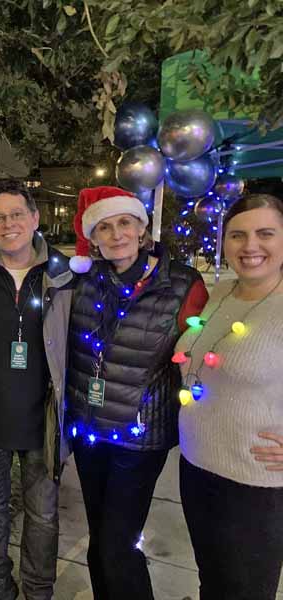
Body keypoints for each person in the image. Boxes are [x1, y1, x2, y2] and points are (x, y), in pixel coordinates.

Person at [65, 186, 208, 600]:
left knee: (117, 544)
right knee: (100, 542)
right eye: (104, 227)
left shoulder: (183, 285)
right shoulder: (83, 281)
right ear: (92, 239)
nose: (116, 235)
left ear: (142, 228)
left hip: (140, 438)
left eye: (124, 223)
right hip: (91, 432)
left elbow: (206, 356)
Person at [0, 180, 76, 600]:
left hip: (43, 420)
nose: (8, 224)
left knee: (42, 516)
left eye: (17, 214)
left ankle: (38, 591)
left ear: (35, 218)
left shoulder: (64, 277)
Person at [176, 193, 283, 600]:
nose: (250, 246)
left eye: (265, 233)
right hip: (197, 467)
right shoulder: (219, 293)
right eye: (237, 235)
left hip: (255, 485)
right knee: (212, 582)